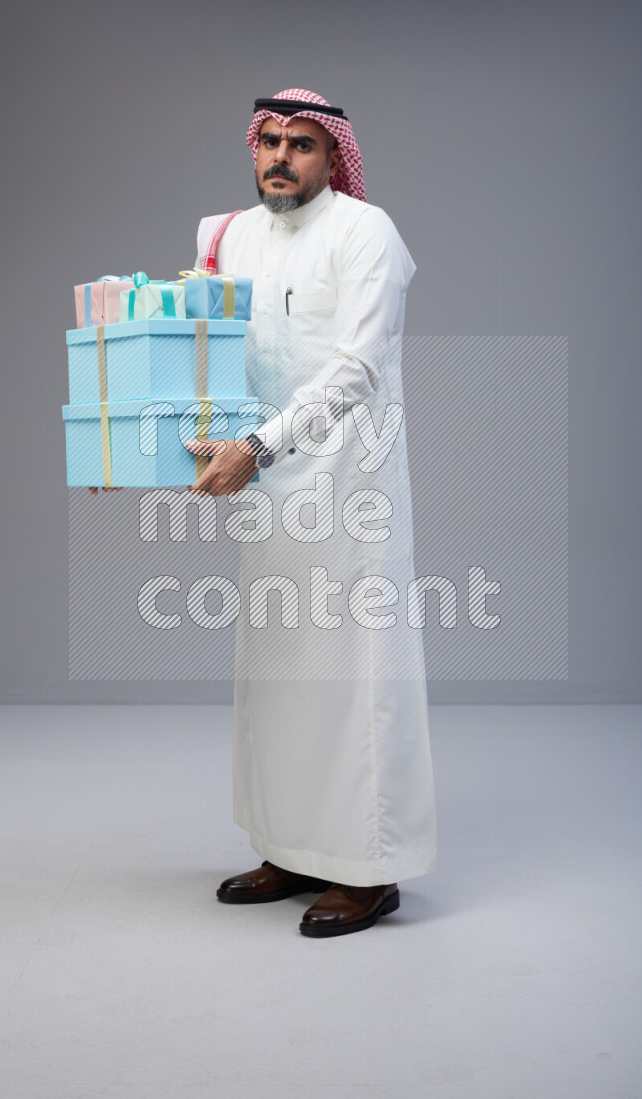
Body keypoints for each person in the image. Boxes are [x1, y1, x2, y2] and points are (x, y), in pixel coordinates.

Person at [190, 88, 438, 937]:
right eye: (269, 140)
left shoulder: (367, 233)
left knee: (352, 678)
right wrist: (167, 441)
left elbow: (356, 369)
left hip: (346, 486)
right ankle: (291, 849)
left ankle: (368, 870)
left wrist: (257, 447)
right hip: (261, 484)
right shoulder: (225, 235)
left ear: (334, 157)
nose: (281, 157)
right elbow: (210, 354)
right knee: (278, 670)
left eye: (302, 143)